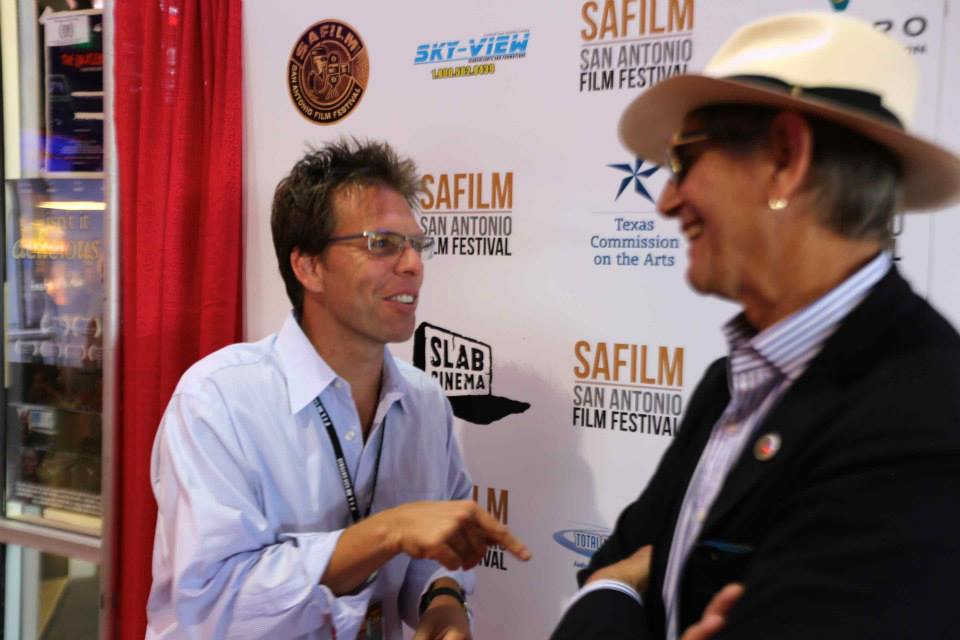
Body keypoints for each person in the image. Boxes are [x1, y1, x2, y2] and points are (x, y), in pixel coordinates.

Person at [553, 12, 960, 640]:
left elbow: (627, 570)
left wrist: (611, 594)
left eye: (683, 160)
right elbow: (620, 556)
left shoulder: (924, 415)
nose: (665, 200)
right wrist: (615, 580)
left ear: (784, 158)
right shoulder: (728, 384)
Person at [147, 139, 530, 639]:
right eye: (382, 243)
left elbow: (437, 556)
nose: (413, 264)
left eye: (416, 244)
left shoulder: (425, 401)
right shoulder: (218, 400)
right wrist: (386, 533)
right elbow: (218, 604)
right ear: (308, 267)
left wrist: (443, 600)